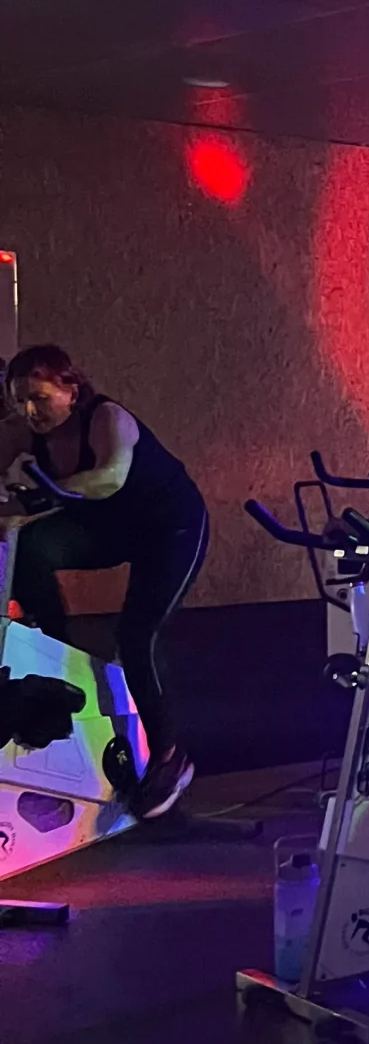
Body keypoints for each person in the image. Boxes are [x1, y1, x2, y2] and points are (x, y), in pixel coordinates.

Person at [0, 345, 207, 818]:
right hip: (108, 528)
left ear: (72, 389)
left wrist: (37, 499)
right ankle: (54, 650)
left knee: (137, 636)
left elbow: (110, 478)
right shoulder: (20, 431)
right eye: (21, 401)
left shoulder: (108, 418)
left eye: (40, 397)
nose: (31, 411)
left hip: (169, 528)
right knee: (34, 548)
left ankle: (170, 759)